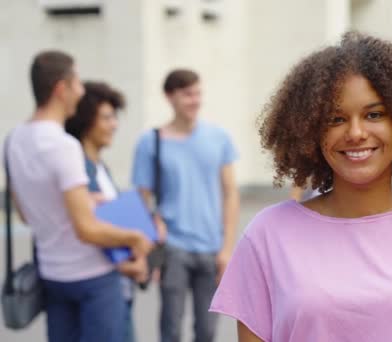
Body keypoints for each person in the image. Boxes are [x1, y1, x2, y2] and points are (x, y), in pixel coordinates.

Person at [209, 32, 392, 341]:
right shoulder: (267, 234)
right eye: (335, 119)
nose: (356, 132)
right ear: (309, 129)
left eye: (374, 114)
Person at [5, 51, 153, 342]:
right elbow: (86, 230)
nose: (81, 91)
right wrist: (136, 238)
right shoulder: (64, 146)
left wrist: (83, 203)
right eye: (77, 84)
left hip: (53, 278)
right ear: (61, 89)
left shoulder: (12, 141)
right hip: (93, 279)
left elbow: (26, 213)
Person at [131, 69, 240, 342]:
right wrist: (147, 247)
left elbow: (230, 194)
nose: (195, 100)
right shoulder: (151, 142)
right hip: (172, 249)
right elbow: (141, 200)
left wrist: (227, 248)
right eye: (187, 94)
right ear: (170, 97)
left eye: (197, 93)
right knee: (171, 328)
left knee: (207, 331)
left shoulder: (219, 137)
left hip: (211, 248)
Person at [65, 81, 155, 342]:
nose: (114, 124)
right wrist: (130, 266)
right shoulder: (79, 170)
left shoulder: (99, 167)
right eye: (107, 117)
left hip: (120, 291)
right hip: (101, 291)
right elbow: (85, 233)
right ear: (85, 120)